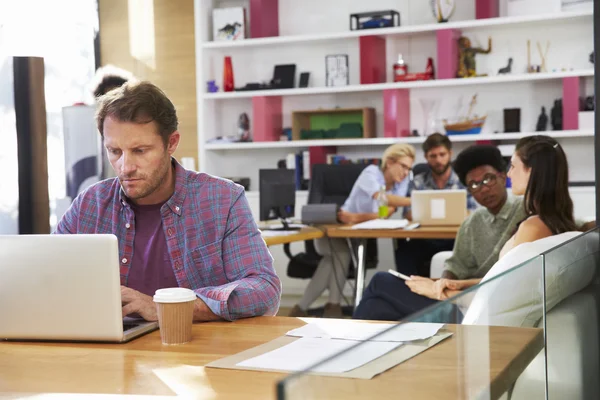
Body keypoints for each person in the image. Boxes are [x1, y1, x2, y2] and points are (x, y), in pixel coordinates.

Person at [55, 81, 281, 322]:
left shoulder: (222, 200)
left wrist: (168, 306)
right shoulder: (89, 205)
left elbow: (264, 290)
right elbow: (47, 277)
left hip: (192, 351)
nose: (126, 167)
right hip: (108, 351)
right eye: (115, 151)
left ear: (171, 143)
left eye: (140, 150)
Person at [354, 145, 526, 321]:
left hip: (476, 304)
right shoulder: (472, 222)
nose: (483, 188)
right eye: (474, 184)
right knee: (375, 306)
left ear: (503, 176)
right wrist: (439, 287)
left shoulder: (524, 210)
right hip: (456, 298)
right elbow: (455, 266)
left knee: (381, 281)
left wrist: (446, 292)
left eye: (488, 179)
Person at [289, 143, 416, 318]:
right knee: (340, 255)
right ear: (389, 162)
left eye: (409, 169)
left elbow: (385, 214)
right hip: (333, 227)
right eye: (403, 166)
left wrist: (356, 218)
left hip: (354, 231)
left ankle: (305, 308)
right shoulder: (371, 173)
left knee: (336, 258)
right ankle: (330, 307)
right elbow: (384, 199)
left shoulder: (398, 185)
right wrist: (416, 200)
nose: (405, 172)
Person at [395, 133, 477, 277]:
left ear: (450, 154)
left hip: (456, 239)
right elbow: (406, 214)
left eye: (442, 154)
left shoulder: (464, 181)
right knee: (403, 249)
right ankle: (408, 293)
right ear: (426, 157)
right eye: (433, 156)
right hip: (424, 240)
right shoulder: (417, 182)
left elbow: (473, 212)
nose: (438, 160)